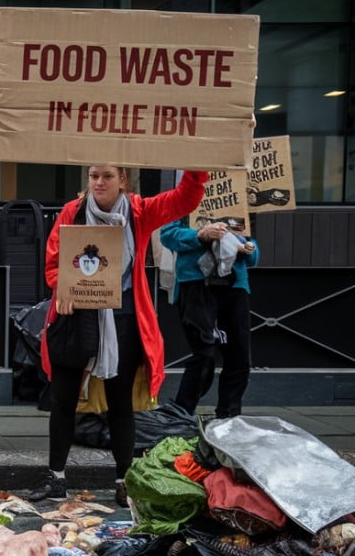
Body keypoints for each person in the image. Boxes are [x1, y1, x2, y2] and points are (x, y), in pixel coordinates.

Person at [29, 166, 207, 505]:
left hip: (123, 318)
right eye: (94, 175)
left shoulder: (140, 211)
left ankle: (123, 481)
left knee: (120, 404)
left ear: (122, 180)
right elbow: (53, 259)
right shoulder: (73, 211)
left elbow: (184, 199)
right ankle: (56, 477)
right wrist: (61, 287)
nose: (98, 182)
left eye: (107, 176)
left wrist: (196, 165)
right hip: (75, 316)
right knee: (63, 400)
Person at [160, 216, 259, 418]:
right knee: (203, 356)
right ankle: (181, 415)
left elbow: (253, 255)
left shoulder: (238, 199)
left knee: (239, 357)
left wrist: (247, 247)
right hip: (195, 285)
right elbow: (167, 236)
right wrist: (200, 235)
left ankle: (229, 418)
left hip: (234, 285)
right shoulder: (187, 199)